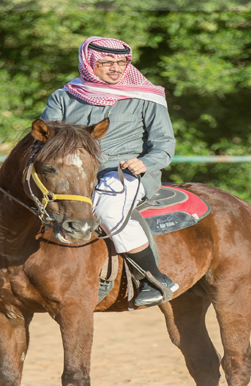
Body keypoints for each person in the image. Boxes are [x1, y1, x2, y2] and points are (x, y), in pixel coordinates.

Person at [41, 36, 178, 307]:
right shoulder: (64, 96)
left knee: (108, 210)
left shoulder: (146, 97)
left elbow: (164, 145)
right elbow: (46, 139)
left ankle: (154, 279)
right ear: (89, 64)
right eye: (106, 62)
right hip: (74, 174)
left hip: (123, 172)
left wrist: (146, 163)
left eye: (122, 62)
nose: (116, 68)